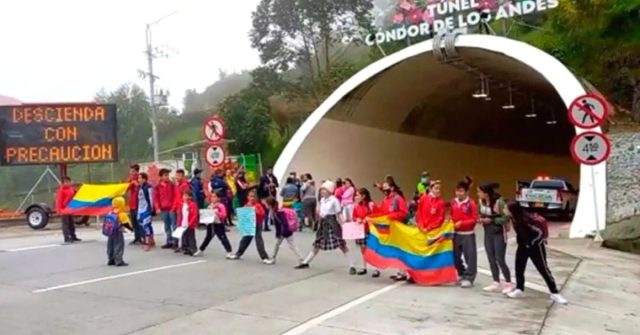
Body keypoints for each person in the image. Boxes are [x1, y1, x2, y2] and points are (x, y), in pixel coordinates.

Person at [506, 202, 568, 304]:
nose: (505, 209)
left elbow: (539, 233)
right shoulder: (514, 218)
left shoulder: (527, 220)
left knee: (543, 269)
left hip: (536, 247)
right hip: (522, 246)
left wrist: (531, 243)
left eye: (506, 208)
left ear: (513, 210)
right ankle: (519, 289)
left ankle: (555, 293)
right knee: (519, 267)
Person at [295, 180, 355, 273]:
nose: (322, 192)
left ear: (330, 191)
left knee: (342, 244)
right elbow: (320, 211)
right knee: (317, 244)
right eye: (322, 190)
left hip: (332, 223)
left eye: (324, 190)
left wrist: (345, 225)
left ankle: (352, 266)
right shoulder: (322, 200)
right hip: (323, 223)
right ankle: (306, 262)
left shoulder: (334, 200)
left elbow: (338, 214)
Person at [478, 182, 513, 294]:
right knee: (490, 257)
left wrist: (492, 220)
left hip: (499, 233)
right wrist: (480, 219)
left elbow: (507, 217)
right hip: (488, 233)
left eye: (479, 192)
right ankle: (495, 281)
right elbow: (480, 214)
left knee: (500, 258)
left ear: (486, 193)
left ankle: (508, 282)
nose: (478, 194)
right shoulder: (481, 202)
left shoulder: (499, 202)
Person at [227, 190, 273, 264]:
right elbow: (244, 215)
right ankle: (238, 254)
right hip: (250, 224)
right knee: (245, 240)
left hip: (257, 224)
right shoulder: (247, 204)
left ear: (256, 198)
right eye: (250, 196)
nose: (252, 198)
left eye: (253, 196)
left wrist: (256, 211)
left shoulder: (258, 205)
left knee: (258, 240)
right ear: (248, 197)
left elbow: (263, 214)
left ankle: (265, 257)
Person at [377, 178, 409, 281]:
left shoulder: (397, 198)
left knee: (400, 250)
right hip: (390, 229)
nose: (384, 189)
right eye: (384, 187)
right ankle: (399, 271)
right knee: (395, 250)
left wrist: (391, 217)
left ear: (392, 187)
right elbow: (381, 213)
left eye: (386, 187)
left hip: (398, 228)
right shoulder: (385, 199)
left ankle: (403, 271)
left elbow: (404, 213)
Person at [450, 177, 479, 288]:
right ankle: (461, 272)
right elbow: (452, 215)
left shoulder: (471, 204)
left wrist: (462, 223)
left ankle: (469, 277)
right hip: (456, 234)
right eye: (457, 191)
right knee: (455, 256)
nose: (459, 193)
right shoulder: (453, 202)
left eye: (461, 191)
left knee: (470, 257)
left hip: (468, 234)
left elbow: (474, 219)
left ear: (466, 192)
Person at [265, 197, 304, 265]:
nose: (265, 205)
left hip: (285, 231)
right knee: (279, 244)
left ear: (270, 205)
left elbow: (283, 223)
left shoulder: (278, 212)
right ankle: (273, 258)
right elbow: (278, 224)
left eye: (266, 204)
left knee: (290, 245)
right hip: (285, 231)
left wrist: (281, 233)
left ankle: (301, 259)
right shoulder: (276, 211)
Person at [194, 192, 233, 257]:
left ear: (218, 198)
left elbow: (224, 215)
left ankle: (229, 251)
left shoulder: (221, 206)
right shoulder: (210, 205)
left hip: (218, 224)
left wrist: (217, 212)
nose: (213, 198)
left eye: (215, 197)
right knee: (208, 237)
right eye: (212, 197)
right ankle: (201, 250)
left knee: (222, 237)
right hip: (210, 223)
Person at [353, 188, 380, 277]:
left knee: (372, 249)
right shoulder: (357, 206)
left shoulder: (371, 204)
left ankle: (376, 268)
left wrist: (367, 219)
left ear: (364, 196)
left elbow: (377, 215)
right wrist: (357, 219)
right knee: (363, 249)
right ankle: (364, 267)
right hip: (361, 230)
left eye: (358, 195)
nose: (356, 197)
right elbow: (354, 216)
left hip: (370, 230)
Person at [103, 196, 130, 267]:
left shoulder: (110, 212)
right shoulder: (121, 213)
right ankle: (118, 260)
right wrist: (131, 229)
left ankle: (111, 259)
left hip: (110, 231)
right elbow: (126, 224)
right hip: (118, 231)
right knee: (119, 244)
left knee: (110, 245)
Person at [155, 169, 177, 249]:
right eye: (165, 175)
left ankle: (175, 242)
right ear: (161, 176)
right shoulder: (157, 187)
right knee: (167, 226)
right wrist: (157, 208)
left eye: (167, 175)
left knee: (174, 225)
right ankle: (169, 241)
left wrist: (174, 207)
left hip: (172, 208)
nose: (167, 177)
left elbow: (175, 196)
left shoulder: (172, 185)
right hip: (163, 209)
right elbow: (156, 198)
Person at [56, 176, 80, 243]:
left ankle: (73, 236)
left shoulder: (71, 189)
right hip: (64, 210)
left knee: (71, 223)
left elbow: (76, 194)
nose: (68, 183)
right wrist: (59, 210)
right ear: (63, 183)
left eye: (69, 182)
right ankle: (67, 237)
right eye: (66, 182)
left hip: (70, 209)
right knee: (65, 224)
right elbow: (59, 201)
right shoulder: (61, 190)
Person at [137, 173, 155, 251]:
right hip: (140, 210)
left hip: (147, 210)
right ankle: (151, 240)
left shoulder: (148, 187)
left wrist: (151, 209)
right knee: (143, 225)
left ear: (144, 179)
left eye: (140, 178)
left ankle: (147, 243)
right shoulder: (139, 188)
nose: (138, 180)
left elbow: (151, 199)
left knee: (146, 226)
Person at [177, 190, 198, 256]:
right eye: (183, 195)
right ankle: (187, 248)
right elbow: (180, 215)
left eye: (186, 196)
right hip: (184, 223)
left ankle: (193, 248)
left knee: (191, 236)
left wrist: (190, 223)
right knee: (185, 236)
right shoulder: (182, 204)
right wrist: (179, 223)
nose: (184, 197)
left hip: (190, 224)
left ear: (190, 197)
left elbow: (194, 215)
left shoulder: (192, 204)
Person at [126, 164, 143, 245]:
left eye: (133, 171)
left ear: (137, 172)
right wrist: (130, 181)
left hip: (139, 205)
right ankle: (136, 237)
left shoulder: (140, 179)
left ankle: (143, 238)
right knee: (134, 223)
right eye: (130, 171)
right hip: (132, 205)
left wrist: (136, 183)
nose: (131, 173)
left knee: (139, 222)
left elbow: (143, 189)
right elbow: (125, 188)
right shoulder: (130, 180)